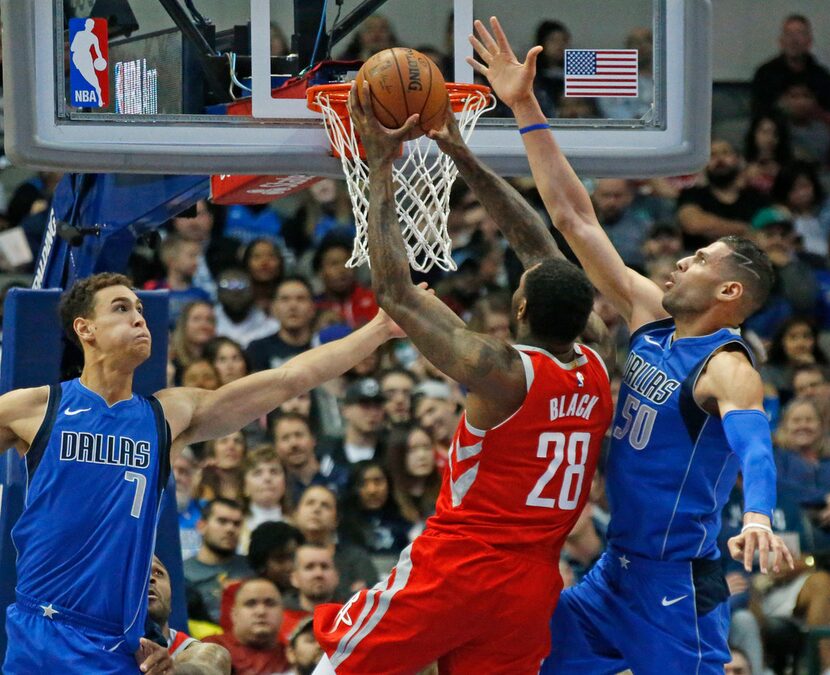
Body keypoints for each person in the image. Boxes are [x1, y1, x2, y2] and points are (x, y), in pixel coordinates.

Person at [463, 16, 795, 674]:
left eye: (698, 260)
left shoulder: (726, 369)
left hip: (674, 585)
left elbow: (755, 444)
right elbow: (574, 217)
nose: (678, 262)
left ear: (729, 293)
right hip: (614, 570)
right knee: (531, 662)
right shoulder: (650, 313)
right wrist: (525, 104)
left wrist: (758, 515)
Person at [311, 75, 612, 675]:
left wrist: (378, 166)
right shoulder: (598, 362)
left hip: (459, 567)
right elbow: (541, 253)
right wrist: (460, 152)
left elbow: (395, 294)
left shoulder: (501, 371)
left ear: (520, 309)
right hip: (530, 585)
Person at [0, 270, 405, 673]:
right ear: (84, 328)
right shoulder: (36, 407)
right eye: (121, 308)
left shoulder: (167, 415)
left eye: (140, 309)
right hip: (41, 631)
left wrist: (380, 328)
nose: (139, 318)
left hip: (116, 644)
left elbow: (288, 379)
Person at [147, 556, 231, 674]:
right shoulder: (112, 649)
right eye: (137, 571)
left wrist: (177, 671)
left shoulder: (189, 648)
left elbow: (212, 660)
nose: (150, 578)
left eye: (158, 572)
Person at [183, 498, 252, 624]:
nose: (230, 529)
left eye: (237, 524)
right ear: (201, 526)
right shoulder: (183, 573)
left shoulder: (252, 567)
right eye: (222, 521)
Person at [203, 577, 289, 675]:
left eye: (270, 603)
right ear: (234, 614)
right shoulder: (212, 649)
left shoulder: (292, 656)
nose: (261, 611)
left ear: (282, 613)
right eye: (250, 604)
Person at [751, 14, 830, 118]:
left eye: (800, 34)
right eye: (789, 34)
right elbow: (758, 110)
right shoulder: (765, 73)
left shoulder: (821, 76)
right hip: (777, 129)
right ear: (781, 42)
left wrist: (810, 107)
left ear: (809, 42)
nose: (794, 40)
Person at [247, 276, 317, 372]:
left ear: (312, 308)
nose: (293, 306)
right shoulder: (258, 349)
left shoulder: (325, 346)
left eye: (300, 299)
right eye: (285, 299)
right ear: (273, 308)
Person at [282, 543, 340, 644]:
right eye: (309, 567)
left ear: (336, 576)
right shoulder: (280, 621)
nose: (318, 574)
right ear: (294, 578)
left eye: (325, 567)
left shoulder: (351, 617)